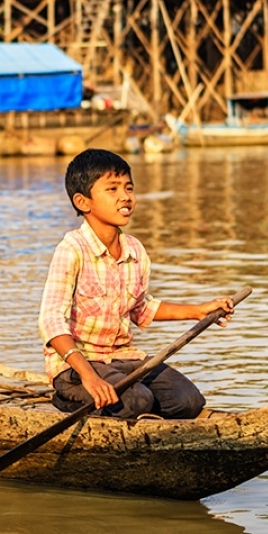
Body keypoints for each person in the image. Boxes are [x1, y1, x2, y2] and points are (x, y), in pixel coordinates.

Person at [37, 149, 234, 420]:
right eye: (112, 189)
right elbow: (50, 321)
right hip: (77, 367)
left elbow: (141, 309)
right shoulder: (72, 250)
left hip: (124, 360)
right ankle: (69, 396)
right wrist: (89, 377)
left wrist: (200, 311)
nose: (125, 197)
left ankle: (130, 407)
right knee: (137, 400)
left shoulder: (134, 250)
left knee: (187, 401)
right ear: (83, 202)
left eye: (129, 188)